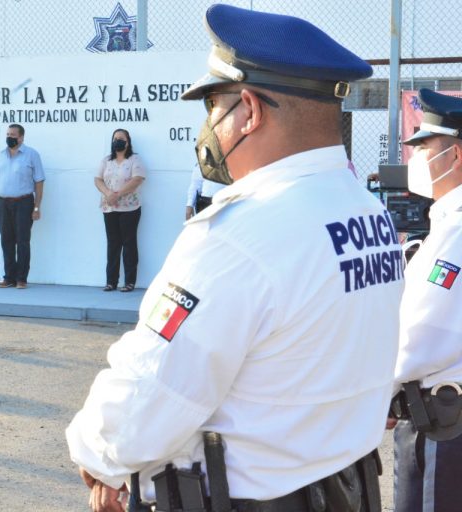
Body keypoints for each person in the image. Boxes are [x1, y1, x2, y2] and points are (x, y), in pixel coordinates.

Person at [66, 5, 404, 512]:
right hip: (347, 488)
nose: (210, 128)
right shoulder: (366, 210)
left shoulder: (239, 234)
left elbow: (154, 388)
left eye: (213, 109)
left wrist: (99, 456)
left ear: (249, 109)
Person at [390, 88, 462, 512]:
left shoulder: (455, 233)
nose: (416, 157)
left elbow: (420, 336)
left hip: (442, 429)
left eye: (425, 146)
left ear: (455, 155)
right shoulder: (446, 224)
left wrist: (371, 394)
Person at [0, 123, 45, 289]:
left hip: (23, 202)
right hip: (2, 202)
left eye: (13, 135)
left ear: (21, 137)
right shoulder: (0, 156)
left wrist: (36, 207)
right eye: (8, 134)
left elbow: (39, 182)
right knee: (6, 241)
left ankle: (21, 278)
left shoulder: (31, 155)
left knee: (22, 241)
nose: (9, 137)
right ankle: (9, 277)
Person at [94, 129, 145, 292]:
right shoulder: (106, 161)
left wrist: (118, 194)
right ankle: (111, 281)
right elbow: (98, 179)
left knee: (129, 243)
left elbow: (138, 179)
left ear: (128, 141)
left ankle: (129, 282)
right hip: (109, 208)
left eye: (121, 139)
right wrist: (109, 193)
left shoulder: (134, 159)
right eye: (115, 138)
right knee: (113, 244)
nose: (118, 141)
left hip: (130, 208)